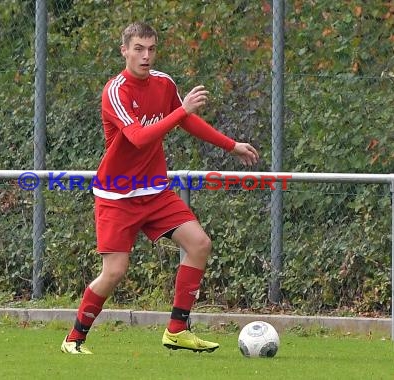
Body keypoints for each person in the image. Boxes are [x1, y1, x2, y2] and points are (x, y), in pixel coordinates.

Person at [61, 21, 259, 354]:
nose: (146, 56)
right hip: (117, 195)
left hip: (154, 190)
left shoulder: (164, 83)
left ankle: (177, 330)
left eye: (151, 48)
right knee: (114, 272)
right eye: (138, 48)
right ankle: (74, 339)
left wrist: (230, 145)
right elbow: (138, 138)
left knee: (199, 244)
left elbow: (185, 120)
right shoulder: (116, 91)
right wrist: (182, 109)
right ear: (124, 50)